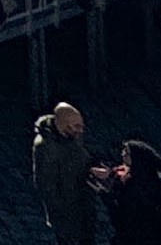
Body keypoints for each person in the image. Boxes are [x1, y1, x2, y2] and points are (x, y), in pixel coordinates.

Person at [35, 105, 98, 245]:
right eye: (76, 126)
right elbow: (47, 186)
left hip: (84, 205)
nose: (81, 130)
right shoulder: (47, 148)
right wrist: (61, 215)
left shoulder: (71, 136)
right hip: (67, 213)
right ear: (64, 126)